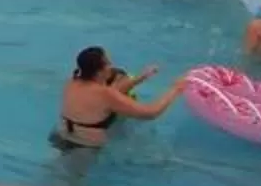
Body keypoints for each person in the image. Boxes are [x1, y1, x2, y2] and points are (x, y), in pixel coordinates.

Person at [54, 46, 183, 149]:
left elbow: (105, 96)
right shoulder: (105, 95)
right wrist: (176, 88)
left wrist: (141, 77)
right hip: (83, 148)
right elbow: (150, 113)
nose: (111, 66)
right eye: (108, 63)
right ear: (100, 71)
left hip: (61, 136)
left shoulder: (72, 83)